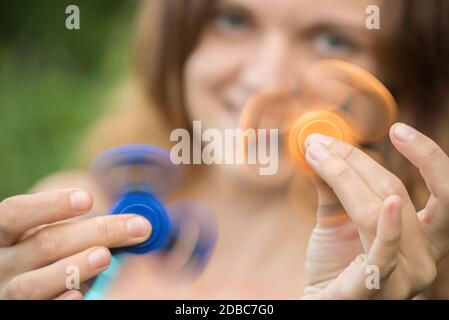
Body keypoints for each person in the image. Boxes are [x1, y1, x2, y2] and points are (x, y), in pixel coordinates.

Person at [1, 0, 449, 299]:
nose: (265, 80)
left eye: (332, 39)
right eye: (233, 19)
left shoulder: (386, 280)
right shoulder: (73, 221)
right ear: (177, 44)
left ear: (402, 80)